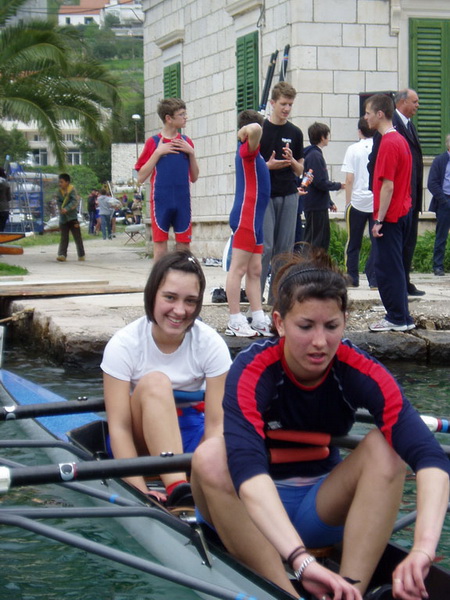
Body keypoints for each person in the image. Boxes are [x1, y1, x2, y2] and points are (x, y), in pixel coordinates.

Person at [191, 248, 450, 600]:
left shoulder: (359, 368)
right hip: (249, 511)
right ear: (279, 323)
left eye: (331, 327)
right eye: (305, 326)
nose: (319, 342)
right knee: (210, 456)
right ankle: (286, 593)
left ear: (345, 321)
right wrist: (300, 562)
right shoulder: (252, 370)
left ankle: (350, 590)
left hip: (317, 510)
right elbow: (247, 474)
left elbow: (431, 458)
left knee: (386, 448)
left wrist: (422, 549)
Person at [101, 250, 231, 504]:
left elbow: (217, 426)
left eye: (190, 301)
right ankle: (179, 488)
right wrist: (140, 493)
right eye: (170, 297)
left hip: (192, 441)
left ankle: (185, 487)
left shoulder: (212, 344)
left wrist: (207, 475)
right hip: (138, 445)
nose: (179, 311)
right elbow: (119, 428)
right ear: (152, 295)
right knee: (156, 383)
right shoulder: (123, 345)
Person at [364, 94, 415, 332]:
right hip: (403, 212)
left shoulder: (388, 142)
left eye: (368, 113)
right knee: (396, 267)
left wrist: (379, 219)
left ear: (380, 114)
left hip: (391, 216)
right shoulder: (401, 140)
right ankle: (403, 316)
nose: (366, 117)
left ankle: (396, 317)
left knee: (385, 269)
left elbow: (387, 185)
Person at [368, 89, 424, 297]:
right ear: (401, 102)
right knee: (389, 256)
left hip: (408, 198)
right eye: (414, 101)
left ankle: (402, 288)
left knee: (406, 245)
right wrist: (380, 202)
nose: (418, 105)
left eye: (367, 113)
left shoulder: (407, 127)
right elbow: (376, 166)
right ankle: (394, 298)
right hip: (394, 202)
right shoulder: (389, 132)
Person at [225, 109, 271, 338]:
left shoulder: (255, 154)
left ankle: (258, 317)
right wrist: (244, 130)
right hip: (246, 217)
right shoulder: (247, 149)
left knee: (255, 270)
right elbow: (255, 129)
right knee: (238, 269)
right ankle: (234, 319)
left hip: (256, 220)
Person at [135, 98, 199, 262]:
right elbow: (140, 177)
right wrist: (158, 153)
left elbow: (194, 177)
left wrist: (191, 153)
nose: (186, 117)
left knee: (184, 248)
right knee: (160, 248)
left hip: (182, 201)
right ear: (169, 118)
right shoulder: (154, 142)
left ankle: (183, 277)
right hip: (161, 201)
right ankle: (159, 278)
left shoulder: (186, 142)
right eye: (181, 114)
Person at [259, 81, 304, 304]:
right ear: (272, 103)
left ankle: (276, 299)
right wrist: (267, 166)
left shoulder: (295, 132)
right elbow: (248, 164)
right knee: (265, 247)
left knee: (284, 250)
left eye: (290, 105)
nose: (286, 108)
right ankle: (255, 298)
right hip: (265, 195)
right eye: (283, 104)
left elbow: (300, 170)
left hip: (288, 193)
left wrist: (291, 160)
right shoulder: (260, 130)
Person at [341, 117, 377, 288]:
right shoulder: (379, 146)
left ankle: (352, 277)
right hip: (375, 200)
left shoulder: (353, 149)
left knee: (353, 242)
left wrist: (347, 202)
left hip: (357, 200)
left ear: (359, 131)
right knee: (376, 242)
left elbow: (349, 178)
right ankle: (374, 278)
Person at [303, 122, 344, 252]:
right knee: (315, 241)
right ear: (322, 137)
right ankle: (309, 263)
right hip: (315, 205)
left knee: (321, 239)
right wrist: (339, 185)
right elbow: (320, 182)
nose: (329, 138)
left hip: (318, 203)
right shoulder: (315, 156)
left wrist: (329, 202)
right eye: (327, 135)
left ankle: (316, 262)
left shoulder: (313, 154)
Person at [428, 133, 450, 276]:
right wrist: (444, 200)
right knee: (441, 236)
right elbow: (432, 183)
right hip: (444, 201)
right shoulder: (439, 160)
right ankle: (438, 266)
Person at [56, 173, 85, 262]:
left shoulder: (72, 190)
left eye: (62, 182)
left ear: (67, 182)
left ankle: (81, 255)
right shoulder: (59, 192)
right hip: (63, 219)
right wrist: (61, 208)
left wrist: (67, 209)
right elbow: (58, 201)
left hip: (72, 218)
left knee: (77, 237)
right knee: (64, 237)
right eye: (59, 182)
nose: (60, 184)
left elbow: (74, 201)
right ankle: (62, 255)